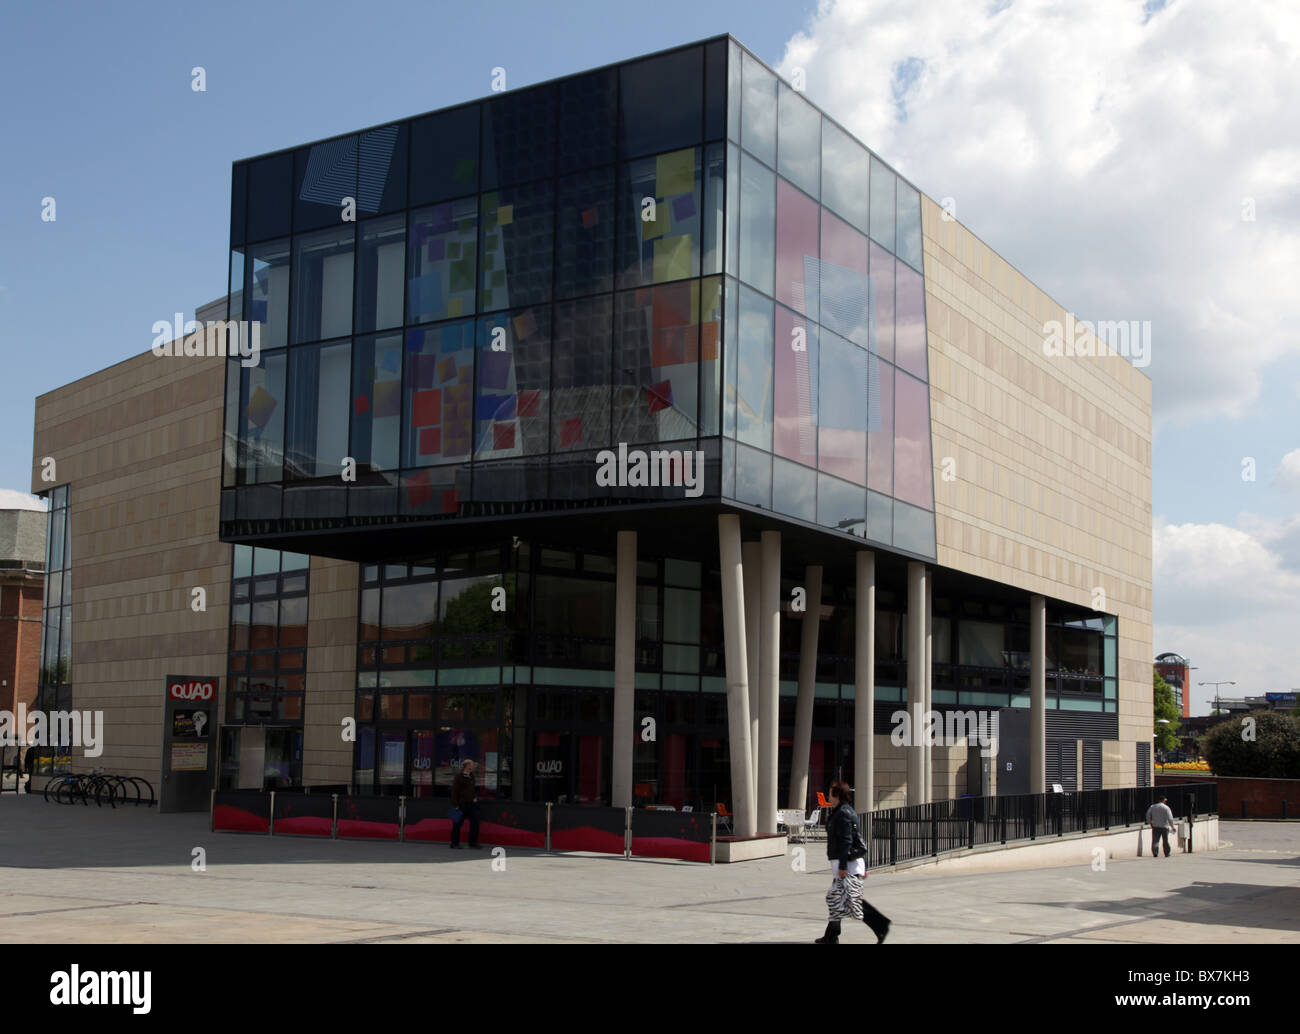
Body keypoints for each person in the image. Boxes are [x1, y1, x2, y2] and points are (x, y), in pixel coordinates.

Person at [816, 780, 890, 944]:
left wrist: (843, 865)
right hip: (845, 863)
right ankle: (831, 935)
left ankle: (881, 926)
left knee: (850, 901)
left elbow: (847, 841)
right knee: (836, 897)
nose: (828, 795)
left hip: (847, 864)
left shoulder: (843, 813)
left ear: (836, 795)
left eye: (830, 792)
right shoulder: (840, 811)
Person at [449, 759, 481, 849]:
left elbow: (473, 789)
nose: (473, 766)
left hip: (472, 804)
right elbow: (454, 792)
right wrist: (455, 805)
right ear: (467, 766)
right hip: (461, 804)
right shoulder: (459, 777)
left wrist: (475, 798)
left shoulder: (472, 776)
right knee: (457, 824)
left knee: (475, 823)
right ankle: (454, 843)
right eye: (472, 765)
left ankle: (473, 843)